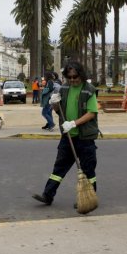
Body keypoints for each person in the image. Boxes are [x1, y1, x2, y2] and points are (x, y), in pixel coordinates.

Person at [32, 61, 99, 206]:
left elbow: (92, 113)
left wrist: (74, 123)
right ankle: (47, 196)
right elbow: (58, 110)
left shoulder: (89, 90)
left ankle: (88, 198)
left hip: (85, 137)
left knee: (88, 169)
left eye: (75, 76)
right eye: (70, 77)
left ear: (80, 74)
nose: (73, 79)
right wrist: (54, 103)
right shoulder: (64, 89)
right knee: (59, 167)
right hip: (68, 136)